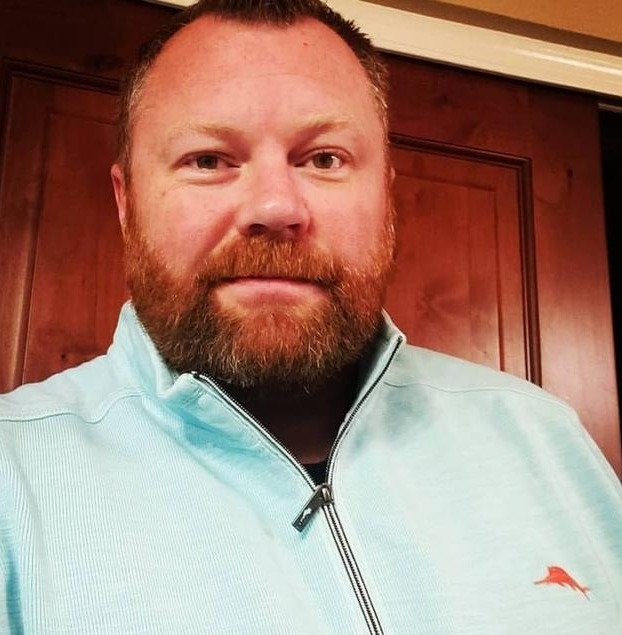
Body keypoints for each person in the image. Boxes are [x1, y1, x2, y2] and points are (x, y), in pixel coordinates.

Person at [1, 0, 621, 632]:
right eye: (208, 160)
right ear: (127, 201)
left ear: (385, 196)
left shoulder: (544, 437)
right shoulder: (12, 475)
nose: (276, 208)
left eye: (324, 158)